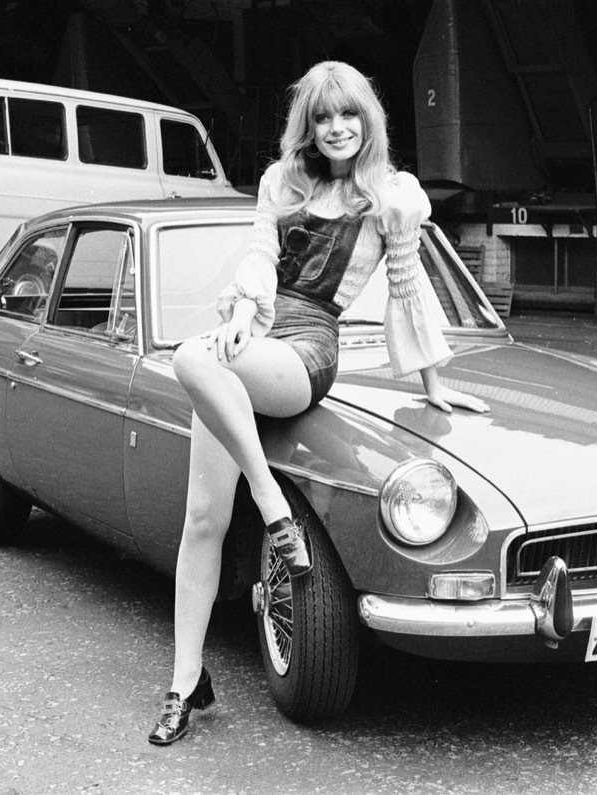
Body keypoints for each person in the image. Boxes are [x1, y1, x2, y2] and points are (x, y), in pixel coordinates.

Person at [147, 60, 489, 746]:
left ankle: (272, 503)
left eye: (349, 115)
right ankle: (186, 680)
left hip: (306, 350)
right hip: (251, 340)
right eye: (324, 117)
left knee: (190, 356)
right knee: (202, 518)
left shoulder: (391, 198)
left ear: (369, 122)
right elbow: (255, 258)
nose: (336, 128)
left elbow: (407, 287)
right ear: (308, 124)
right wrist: (243, 313)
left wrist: (433, 382)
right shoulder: (281, 184)